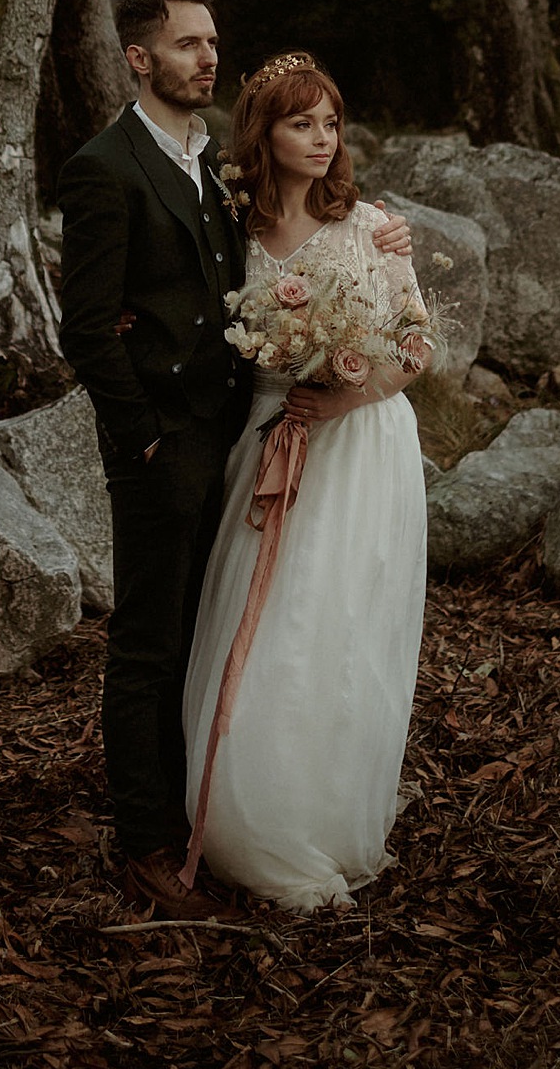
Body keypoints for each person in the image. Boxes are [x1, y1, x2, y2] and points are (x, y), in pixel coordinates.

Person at [58, 0, 412, 920]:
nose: (207, 56)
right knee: (147, 640)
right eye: (186, 44)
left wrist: (379, 247)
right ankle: (144, 842)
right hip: (162, 443)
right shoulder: (106, 165)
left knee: (208, 636)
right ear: (140, 57)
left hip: (234, 434)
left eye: (213, 41)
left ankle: (197, 807)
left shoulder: (217, 169)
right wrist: (137, 439)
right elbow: (87, 328)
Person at [181, 54, 431, 910]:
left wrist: (345, 389)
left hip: (359, 446)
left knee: (338, 621)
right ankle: (250, 812)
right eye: (301, 124)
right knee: (268, 619)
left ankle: (325, 808)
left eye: (330, 122)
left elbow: (416, 344)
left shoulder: (370, 227)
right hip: (267, 437)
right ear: (265, 133)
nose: (322, 139)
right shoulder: (229, 228)